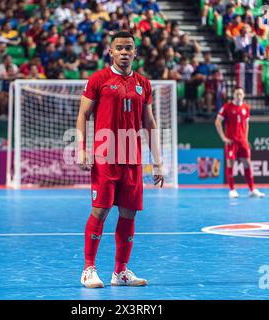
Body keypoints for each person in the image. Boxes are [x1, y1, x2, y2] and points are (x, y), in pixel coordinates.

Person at [76, 31, 164, 289]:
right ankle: (88, 269)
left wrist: (157, 161)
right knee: (100, 211)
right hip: (105, 156)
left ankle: (120, 272)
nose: (124, 52)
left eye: (129, 48)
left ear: (135, 52)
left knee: (129, 214)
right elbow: (83, 115)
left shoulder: (144, 84)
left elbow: (149, 123)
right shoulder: (98, 79)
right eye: (120, 48)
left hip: (132, 157)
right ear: (111, 52)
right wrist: (81, 149)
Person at [214, 87, 265, 198]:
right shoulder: (227, 107)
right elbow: (217, 122)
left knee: (247, 163)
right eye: (237, 94)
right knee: (230, 163)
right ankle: (232, 189)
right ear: (233, 95)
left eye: (241, 94)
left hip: (242, 141)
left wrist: (246, 139)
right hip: (231, 141)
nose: (238, 96)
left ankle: (252, 189)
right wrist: (223, 138)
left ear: (243, 95)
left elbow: (246, 125)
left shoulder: (246, 107)